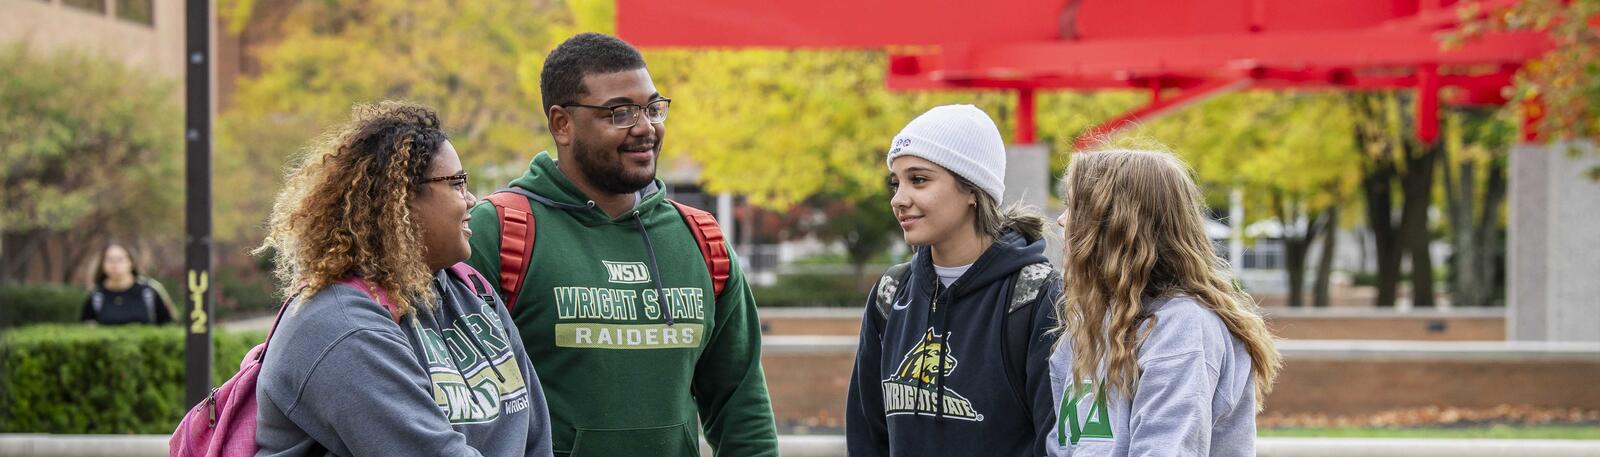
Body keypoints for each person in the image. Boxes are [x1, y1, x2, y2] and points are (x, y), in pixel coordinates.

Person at [465, 33, 776, 457]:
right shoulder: (499, 231)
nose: (646, 127)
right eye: (620, 113)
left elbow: (743, 408)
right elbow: (453, 395)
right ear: (562, 124)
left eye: (652, 107)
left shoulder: (702, 240)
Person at [252, 101, 553, 457]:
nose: (471, 199)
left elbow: (536, 438)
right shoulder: (340, 326)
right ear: (399, 202)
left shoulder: (473, 290)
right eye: (456, 184)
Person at [846, 104, 1062, 457]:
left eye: (918, 179)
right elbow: (866, 438)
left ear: (972, 190)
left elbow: (1053, 440)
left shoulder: (1038, 297)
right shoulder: (890, 292)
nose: (899, 199)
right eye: (895, 182)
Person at [1047, 149, 1282, 456]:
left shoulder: (1182, 328)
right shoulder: (1085, 327)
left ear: (1121, 226)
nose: (1062, 221)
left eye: (1075, 206)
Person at [80, 242, 175, 326]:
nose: (115, 265)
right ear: (103, 264)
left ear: (131, 262)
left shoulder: (149, 291)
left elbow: (168, 324)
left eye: (120, 260)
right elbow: (87, 326)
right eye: (110, 260)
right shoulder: (96, 295)